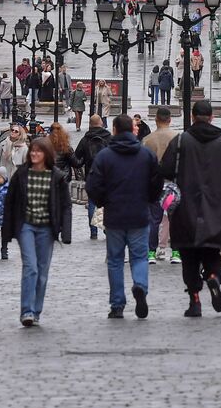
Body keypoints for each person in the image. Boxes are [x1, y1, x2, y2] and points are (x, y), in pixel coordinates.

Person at [160, 101, 221, 317]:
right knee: (212, 252)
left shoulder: (180, 142)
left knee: (188, 257)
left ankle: (195, 301)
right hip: (217, 210)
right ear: (212, 117)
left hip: (186, 210)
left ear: (192, 116)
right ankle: (213, 278)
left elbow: (165, 170)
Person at [86, 114, 162, 319]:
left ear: (115, 130)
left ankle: (117, 304)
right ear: (132, 129)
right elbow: (157, 183)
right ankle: (140, 286)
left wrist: (103, 201)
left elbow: (93, 185)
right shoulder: (146, 155)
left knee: (115, 261)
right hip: (139, 213)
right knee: (139, 257)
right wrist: (149, 199)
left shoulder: (105, 156)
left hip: (115, 215)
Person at [5, 136, 73, 326]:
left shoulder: (56, 176)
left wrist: (65, 233)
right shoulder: (21, 174)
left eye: (38, 151)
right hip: (26, 225)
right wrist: (7, 231)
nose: (34, 154)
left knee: (42, 272)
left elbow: (66, 206)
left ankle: (36, 310)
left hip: (46, 228)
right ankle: (26, 310)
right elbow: (10, 202)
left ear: (46, 154)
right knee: (31, 268)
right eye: (32, 150)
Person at [142, 106, 178, 265]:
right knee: (174, 219)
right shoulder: (178, 137)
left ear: (156, 120)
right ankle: (176, 252)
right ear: (169, 120)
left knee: (154, 220)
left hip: (154, 185)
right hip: (172, 186)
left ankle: (151, 252)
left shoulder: (148, 140)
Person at [73, 115, 112, 239]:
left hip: (91, 174)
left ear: (90, 124)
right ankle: (107, 228)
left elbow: (77, 157)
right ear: (101, 123)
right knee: (107, 203)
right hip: (107, 175)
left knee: (92, 203)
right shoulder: (109, 138)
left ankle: (93, 232)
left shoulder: (86, 139)